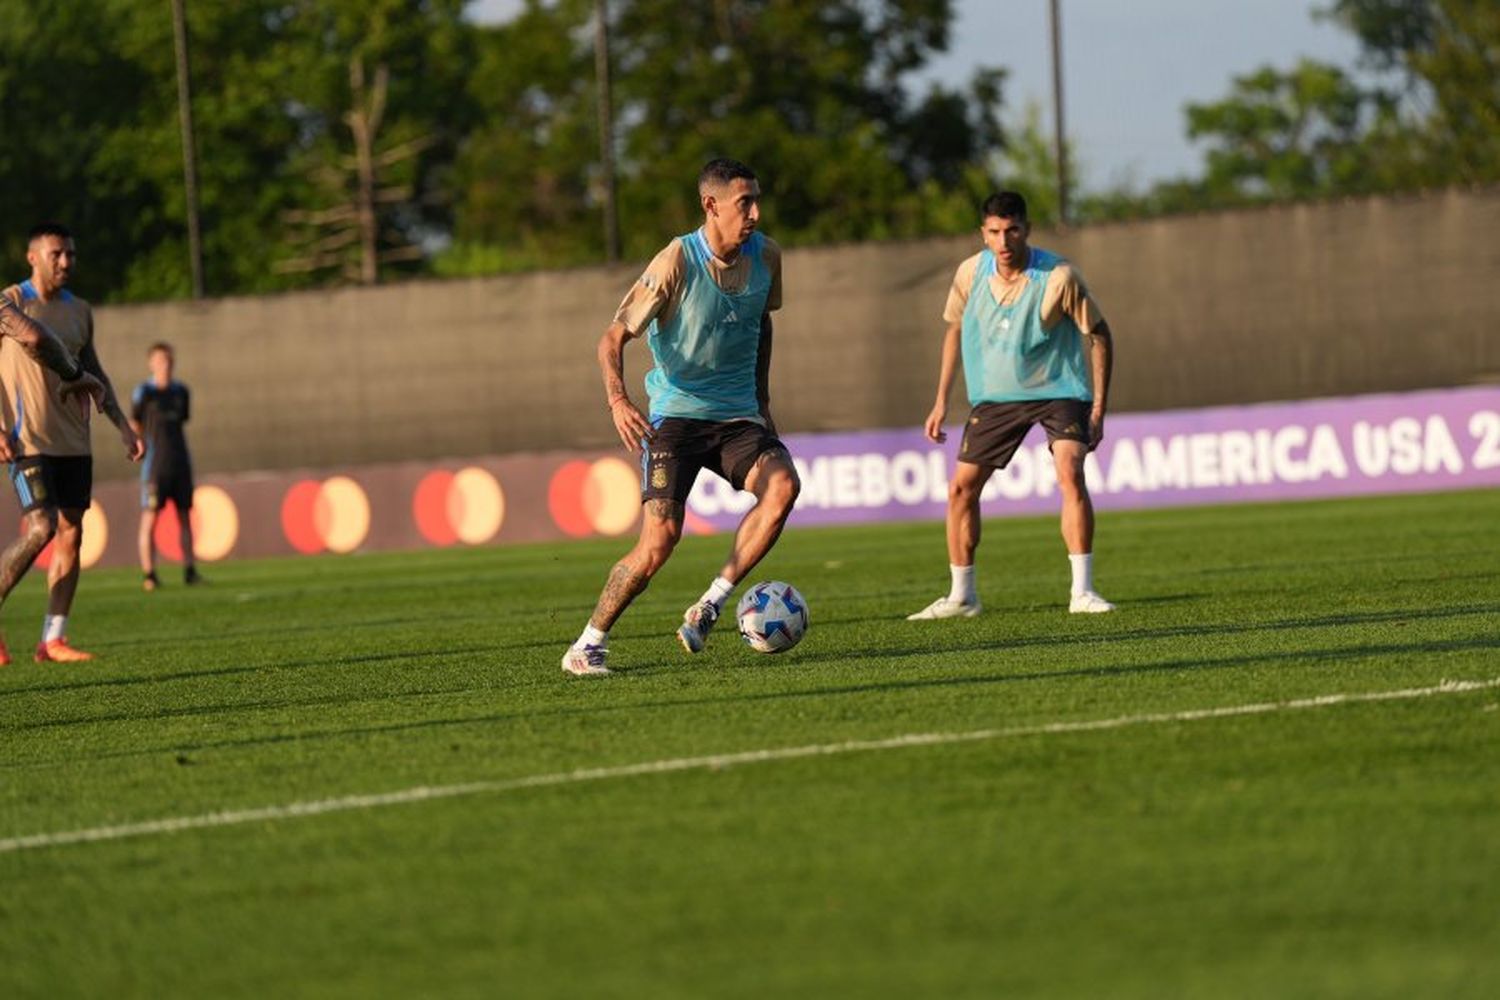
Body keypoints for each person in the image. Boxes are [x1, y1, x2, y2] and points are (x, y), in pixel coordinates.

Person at [561, 158, 800, 676]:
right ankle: (587, 644)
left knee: (783, 488)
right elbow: (611, 339)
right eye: (745, 203)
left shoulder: (768, 258)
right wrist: (619, 401)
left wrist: (763, 407)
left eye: (757, 200)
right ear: (711, 206)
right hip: (675, 419)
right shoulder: (676, 260)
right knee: (659, 542)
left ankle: (711, 602)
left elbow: (763, 328)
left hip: (738, 419)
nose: (756, 213)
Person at [908, 191, 1116, 620]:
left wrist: (1097, 409)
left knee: (1070, 471)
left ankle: (1083, 591)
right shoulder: (970, 273)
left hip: (1060, 390)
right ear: (983, 234)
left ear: (1027, 229)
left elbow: (1100, 335)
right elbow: (954, 330)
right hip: (997, 397)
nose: (1004, 241)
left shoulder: (1059, 277)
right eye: (995, 232)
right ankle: (963, 596)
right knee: (960, 489)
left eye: (1013, 230)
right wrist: (941, 400)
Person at [0, 222, 143, 665]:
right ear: (33, 257)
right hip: (27, 439)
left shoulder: (80, 310)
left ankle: (53, 640)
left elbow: (93, 371)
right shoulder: (10, 302)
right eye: (57, 253)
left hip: (74, 442)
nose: (66, 262)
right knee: (41, 527)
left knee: (72, 533)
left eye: (71, 255)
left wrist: (122, 424)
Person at [130, 342, 201, 590]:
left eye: (169, 360)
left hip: (180, 461)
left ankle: (190, 570)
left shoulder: (181, 391)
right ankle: (149, 574)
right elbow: (135, 422)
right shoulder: (144, 393)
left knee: (185, 517)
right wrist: (136, 445)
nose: (165, 365)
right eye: (160, 360)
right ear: (151, 363)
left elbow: (182, 421)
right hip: (155, 465)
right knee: (150, 518)